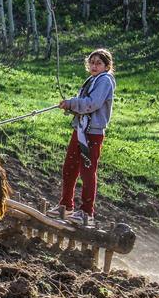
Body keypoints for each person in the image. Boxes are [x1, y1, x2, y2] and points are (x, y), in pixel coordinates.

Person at [48, 49, 116, 226]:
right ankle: (66, 206)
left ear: (107, 66)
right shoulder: (92, 80)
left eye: (98, 63)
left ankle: (87, 212)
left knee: (87, 171)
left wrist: (72, 103)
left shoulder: (105, 80)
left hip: (93, 133)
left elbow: (93, 104)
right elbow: (84, 105)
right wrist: (70, 106)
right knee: (69, 167)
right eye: (92, 62)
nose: (94, 66)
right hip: (81, 129)